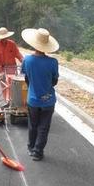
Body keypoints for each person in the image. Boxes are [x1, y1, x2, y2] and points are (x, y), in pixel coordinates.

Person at [20, 28, 59, 161]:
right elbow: (54, 81)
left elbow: (27, 79)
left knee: (33, 125)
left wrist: (34, 87)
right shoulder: (53, 62)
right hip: (48, 101)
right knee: (43, 127)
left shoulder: (27, 60)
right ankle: (38, 152)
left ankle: (31, 147)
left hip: (33, 100)